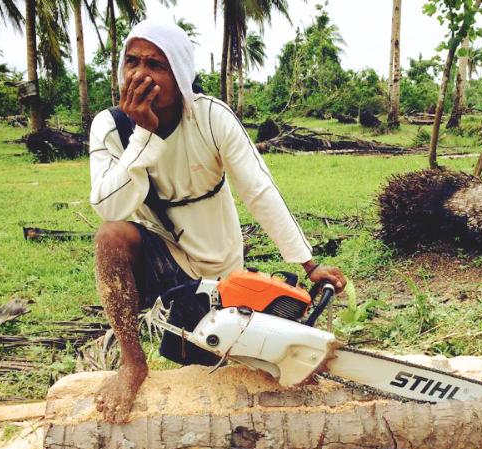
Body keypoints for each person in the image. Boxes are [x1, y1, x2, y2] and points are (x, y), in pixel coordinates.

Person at [88, 19, 347, 423]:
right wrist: (143, 136)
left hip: (217, 258)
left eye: (156, 64)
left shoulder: (211, 118)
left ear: (180, 73)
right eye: (131, 62)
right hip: (157, 251)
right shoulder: (111, 127)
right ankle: (131, 362)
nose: (139, 74)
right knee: (109, 238)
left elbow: (259, 191)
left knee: (216, 364)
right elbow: (111, 208)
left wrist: (308, 265)